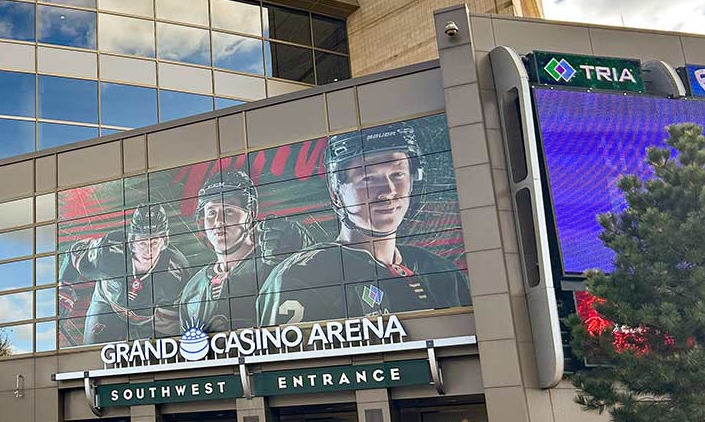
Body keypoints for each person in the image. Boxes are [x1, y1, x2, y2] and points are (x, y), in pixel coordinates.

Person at [257, 125, 471, 326]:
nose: (388, 191)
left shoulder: (442, 271)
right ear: (336, 194)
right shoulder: (302, 275)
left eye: (397, 175)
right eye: (369, 178)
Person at [177, 170, 306, 333]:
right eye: (211, 212)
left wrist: (302, 246)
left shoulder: (274, 265)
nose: (218, 222)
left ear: (249, 215)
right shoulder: (193, 289)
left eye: (228, 211)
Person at [67, 204, 190, 344]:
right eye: (143, 243)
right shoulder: (108, 251)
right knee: (94, 352)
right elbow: (74, 253)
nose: (149, 250)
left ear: (164, 242)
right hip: (107, 304)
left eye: (154, 242)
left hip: (149, 319)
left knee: (159, 352)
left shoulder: (176, 271)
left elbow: (171, 320)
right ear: (132, 242)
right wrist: (64, 289)